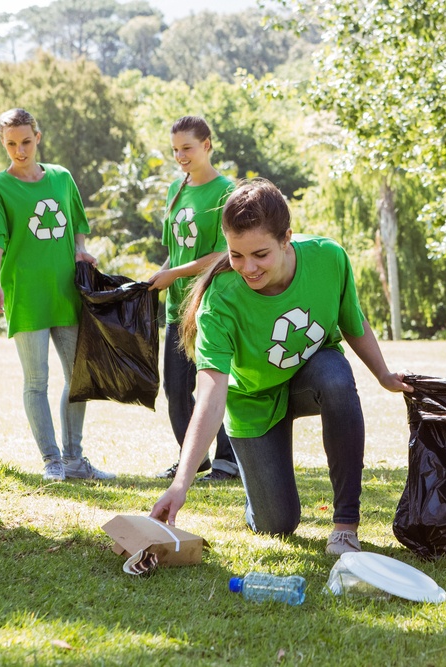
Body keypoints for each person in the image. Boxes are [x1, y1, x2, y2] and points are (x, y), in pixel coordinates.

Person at [150, 178, 411, 555]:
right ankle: (259, 497)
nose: (247, 268)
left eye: (260, 254)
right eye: (236, 255)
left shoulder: (328, 257)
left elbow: (353, 321)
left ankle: (345, 525)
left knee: (335, 375)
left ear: (286, 237)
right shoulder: (220, 300)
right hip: (253, 401)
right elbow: (209, 395)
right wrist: (181, 483)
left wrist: (384, 375)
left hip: (309, 378)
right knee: (277, 524)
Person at [0, 108, 114, 482]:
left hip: (66, 291)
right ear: (3, 144)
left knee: (78, 377)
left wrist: (79, 250)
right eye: (11, 144)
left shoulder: (61, 178)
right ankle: (51, 460)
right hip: (25, 294)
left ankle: (75, 459)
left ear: (38, 137)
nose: (19, 150)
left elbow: (77, 224)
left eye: (25, 141)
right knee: (36, 380)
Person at [148, 116, 240, 483]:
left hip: (211, 306)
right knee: (174, 389)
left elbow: (222, 255)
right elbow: (177, 249)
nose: (180, 156)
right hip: (176, 308)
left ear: (207, 145)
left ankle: (227, 461)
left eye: (187, 148)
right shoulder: (176, 189)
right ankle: (194, 458)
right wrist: (161, 273)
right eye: (175, 150)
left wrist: (173, 274)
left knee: (214, 384)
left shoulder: (226, 192)